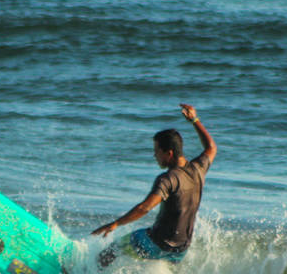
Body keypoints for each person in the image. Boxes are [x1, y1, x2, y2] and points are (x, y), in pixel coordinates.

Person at [92, 103, 216, 265]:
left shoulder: (168, 179)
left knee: (111, 251)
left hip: (155, 244)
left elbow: (145, 207)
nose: (154, 155)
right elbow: (211, 147)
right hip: (180, 250)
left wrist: (116, 223)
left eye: (157, 151)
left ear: (168, 153)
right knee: (155, 269)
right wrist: (195, 120)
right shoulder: (198, 169)